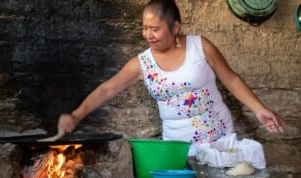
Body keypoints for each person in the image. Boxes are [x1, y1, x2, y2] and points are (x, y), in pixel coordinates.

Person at [58, 0, 287, 167]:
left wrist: (259, 109)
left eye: (155, 29)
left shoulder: (200, 46)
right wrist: (77, 115)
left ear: (175, 27)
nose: (148, 35)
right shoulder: (143, 63)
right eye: (145, 28)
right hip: (178, 149)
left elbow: (231, 79)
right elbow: (107, 89)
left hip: (218, 140)